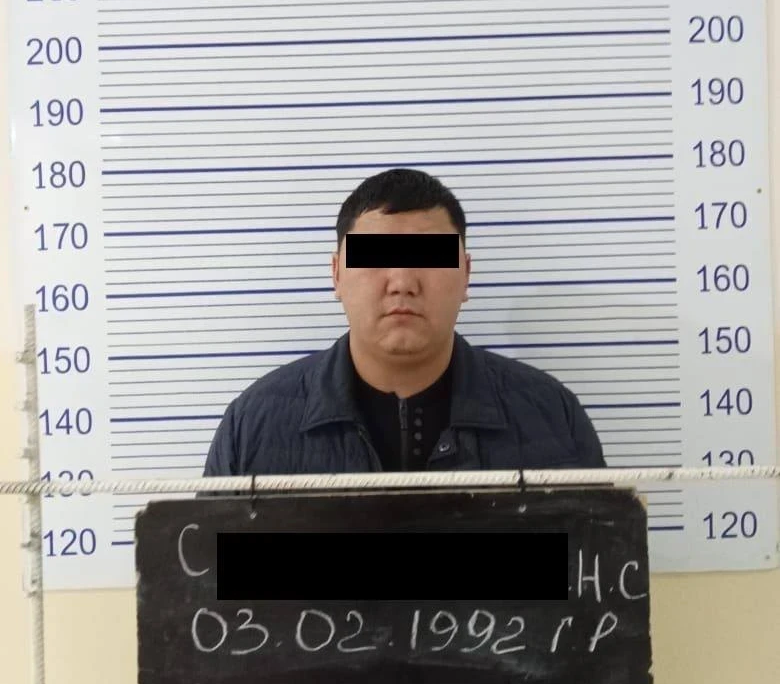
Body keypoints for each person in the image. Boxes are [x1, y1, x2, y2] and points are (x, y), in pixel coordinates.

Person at [203, 167, 606, 477]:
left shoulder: (553, 418)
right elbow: (209, 561)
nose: (402, 282)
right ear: (336, 274)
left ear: (466, 274)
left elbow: (593, 559)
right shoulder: (252, 427)